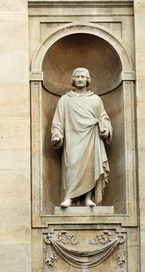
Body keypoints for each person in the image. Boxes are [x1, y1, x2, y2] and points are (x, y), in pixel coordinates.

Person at [51, 67, 112, 208]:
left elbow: (104, 118)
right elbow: (58, 121)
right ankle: (69, 197)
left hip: (91, 137)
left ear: (87, 80)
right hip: (72, 139)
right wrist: (57, 134)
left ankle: (88, 198)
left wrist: (105, 129)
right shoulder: (65, 100)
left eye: (83, 77)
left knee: (90, 166)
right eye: (77, 77)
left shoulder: (96, 100)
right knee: (72, 165)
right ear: (73, 80)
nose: (80, 79)